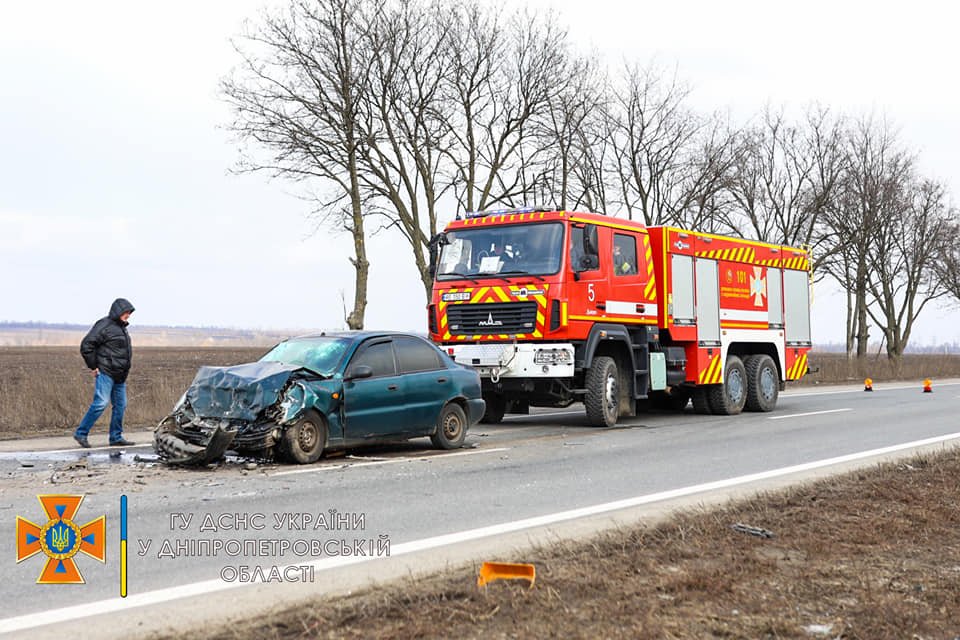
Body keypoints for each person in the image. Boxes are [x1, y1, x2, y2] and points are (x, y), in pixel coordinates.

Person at [73, 298, 136, 448]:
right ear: (118, 311)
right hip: (106, 372)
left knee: (121, 405)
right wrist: (93, 366)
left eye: (129, 313)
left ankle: (116, 437)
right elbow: (87, 345)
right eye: (126, 312)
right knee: (101, 403)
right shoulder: (104, 325)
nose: (128, 315)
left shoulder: (122, 328)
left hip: (120, 375)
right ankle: (81, 433)